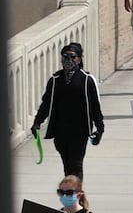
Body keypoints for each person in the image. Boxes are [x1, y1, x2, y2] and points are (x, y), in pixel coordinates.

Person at [30, 42, 104, 180]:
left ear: (79, 59)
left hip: (80, 131)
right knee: (67, 166)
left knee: (76, 165)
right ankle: (72, 195)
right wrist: (37, 123)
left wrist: (100, 129)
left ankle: (76, 197)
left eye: (73, 56)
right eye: (65, 56)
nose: (68, 60)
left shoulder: (86, 80)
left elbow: (95, 106)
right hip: (61, 131)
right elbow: (46, 104)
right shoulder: (55, 80)